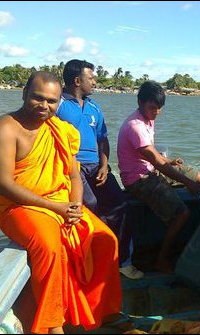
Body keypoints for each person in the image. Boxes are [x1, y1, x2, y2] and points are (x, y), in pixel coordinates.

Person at [0, 72, 126, 334]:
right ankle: (53, 324)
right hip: (17, 206)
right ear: (24, 93)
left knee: (106, 240)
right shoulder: (4, 128)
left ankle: (96, 311)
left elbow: (73, 175)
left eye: (51, 101)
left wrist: (75, 207)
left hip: (59, 201)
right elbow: (3, 183)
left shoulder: (59, 130)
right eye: (38, 98)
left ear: (59, 102)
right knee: (49, 248)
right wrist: (55, 208)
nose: (44, 106)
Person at [56, 59, 143, 280]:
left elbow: (102, 140)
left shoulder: (95, 107)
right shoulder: (57, 105)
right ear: (77, 80)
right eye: (91, 78)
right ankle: (87, 265)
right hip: (70, 167)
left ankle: (123, 261)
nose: (95, 81)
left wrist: (104, 165)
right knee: (89, 206)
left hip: (96, 166)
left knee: (121, 204)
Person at [117, 80, 200, 274]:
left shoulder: (148, 119)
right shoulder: (135, 126)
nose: (156, 112)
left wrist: (169, 162)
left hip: (152, 170)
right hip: (139, 180)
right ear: (140, 102)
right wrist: (187, 183)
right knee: (182, 213)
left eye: (159, 108)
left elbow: (155, 157)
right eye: (152, 107)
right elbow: (157, 163)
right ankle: (161, 259)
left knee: (198, 175)